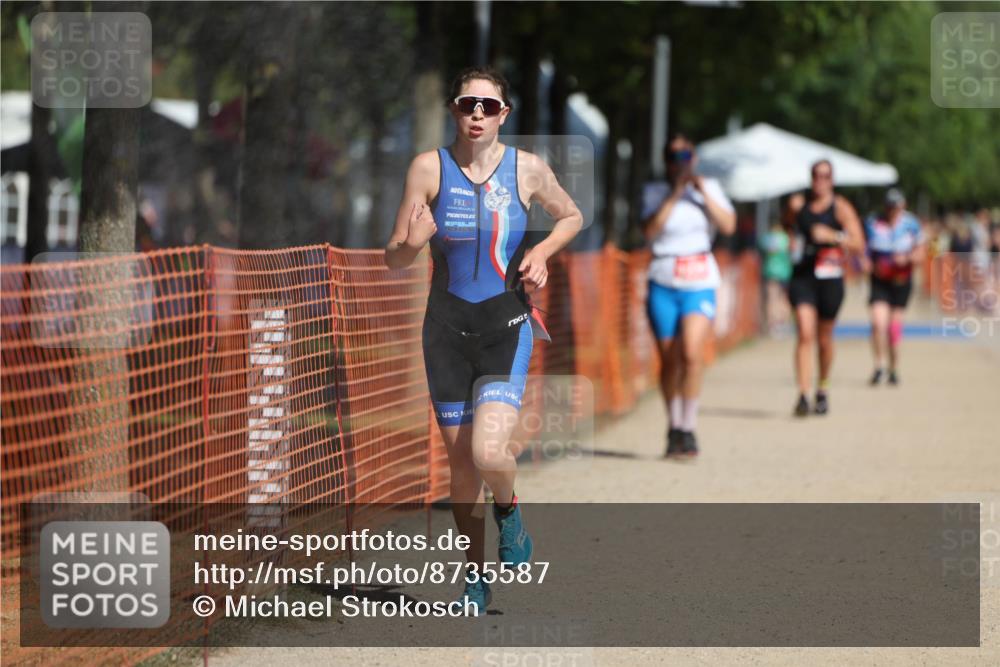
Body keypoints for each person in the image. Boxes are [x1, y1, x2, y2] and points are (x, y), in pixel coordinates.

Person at [384, 66, 582, 615]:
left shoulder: (527, 170)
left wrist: (541, 252)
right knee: (462, 467)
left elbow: (571, 215)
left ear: (503, 115)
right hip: (445, 335)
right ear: (453, 109)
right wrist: (413, 243)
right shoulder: (428, 168)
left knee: (488, 451)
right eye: (468, 104)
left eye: (488, 106)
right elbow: (393, 256)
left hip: (504, 330)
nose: (477, 114)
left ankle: (509, 510)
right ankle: (474, 577)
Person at [641, 133, 736, 458]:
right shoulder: (655, 192)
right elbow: (649, 230)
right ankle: (673, 425)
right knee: (669, 359)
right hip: (663, 279)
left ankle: (688, 427)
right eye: (673, 156)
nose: (680, 162)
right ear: (666, 161)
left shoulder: (709, 188)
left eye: (685, 155)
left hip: (699, 279)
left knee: (692, 354)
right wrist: (675, 194)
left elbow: (728, 226)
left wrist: (702, 192)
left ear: (694, 158)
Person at [784, 159, 865, 416]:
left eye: (825, 176)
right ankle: (803, 394)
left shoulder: (840, 207)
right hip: (802, 276)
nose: (820, 180)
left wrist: (833, 236)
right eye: (816, 175)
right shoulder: (799, 205)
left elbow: (859, 243)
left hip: (830, 278)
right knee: (804, 332)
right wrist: (791, 237)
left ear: (832, 179)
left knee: (824, 338)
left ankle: (823, 387)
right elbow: (787, 226)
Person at [863, 188, 925, 385]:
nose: (892, 211)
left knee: (893, 327)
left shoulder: (911, 224)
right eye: (889, 207)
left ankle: (894, 367)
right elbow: (862, 250)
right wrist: (866, 263)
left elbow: (921, 253)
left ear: (902, 206)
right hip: (879, 280)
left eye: (896, 207)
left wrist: (907, 259)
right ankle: (879, 366)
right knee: (877, 323)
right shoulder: (872, 222)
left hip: (901, 280)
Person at [761, 220, 793, 335]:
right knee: (784, 299)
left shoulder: (766, 238)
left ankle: (773, 325)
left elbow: (761, 248)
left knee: (772, 299)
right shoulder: (786, 238)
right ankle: (784, 323)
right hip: (785, 273)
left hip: (771, 273)